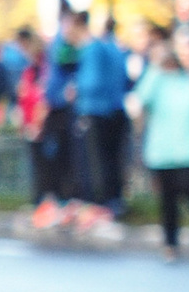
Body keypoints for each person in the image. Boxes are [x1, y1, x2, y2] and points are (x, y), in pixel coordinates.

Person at [131, 28, 189, 260]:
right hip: (162, 152)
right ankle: (170, 243)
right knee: (168, 198)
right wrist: (154, 67)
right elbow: (139, 100)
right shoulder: (156, 83)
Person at [31, 12, 85, 229]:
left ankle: (63, 199)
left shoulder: (67, 46)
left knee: (62, 155)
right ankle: (55, 199)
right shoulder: (59, 45)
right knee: (53, 154)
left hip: (63, 109)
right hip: (55, 108)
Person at [76, 16, 132, 220]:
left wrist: (77, 89)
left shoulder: (93, 49)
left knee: (97, 160)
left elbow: (91, 82)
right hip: (116, 110)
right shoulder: (117, 50)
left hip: (97, 110)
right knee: (114, 159)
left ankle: (101, 204)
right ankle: (115, 201)